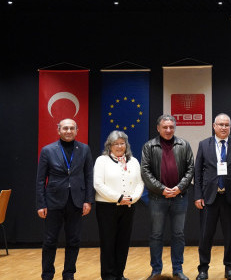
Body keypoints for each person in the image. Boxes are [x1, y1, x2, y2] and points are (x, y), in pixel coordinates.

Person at [36, 118, 94, 280]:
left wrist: (88, 200)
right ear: (58, 130)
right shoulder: (47, 150)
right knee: (50, 241)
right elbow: (40, 180)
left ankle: (69, 274)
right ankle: (47, 275)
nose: (68, 131)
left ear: (76, 130)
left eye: (71, 128)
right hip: (53, 202)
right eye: (65, 128)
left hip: (76, 201)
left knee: (74, 241)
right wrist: (41, 204)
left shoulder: (84, 149)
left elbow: (89, 176)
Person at [141, 114, 195, 280]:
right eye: (165, 127)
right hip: (158, 198)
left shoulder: (184, 145)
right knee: (156, 235)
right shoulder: (149, 146)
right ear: (158, 128)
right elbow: (145, 172)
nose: (168, 130)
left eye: (171, 127)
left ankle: (177, 270)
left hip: (180, 197)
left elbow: (190, 169)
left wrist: (179, 188)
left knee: (178, 235)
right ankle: (156, 271)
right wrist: (162, 189)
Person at [194, 113, 231, 280]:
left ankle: (229, 267)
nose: (224, 127)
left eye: (227, 125)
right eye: (221, 124)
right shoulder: (204, 144)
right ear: (214, 126)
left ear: (230, 127)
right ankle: (203, 268)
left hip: (230, 198)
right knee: (205, 235)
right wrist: (198, 195)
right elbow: (197, 172)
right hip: (209, 198)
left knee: (230, 236)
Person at [94, 130, 145, 280]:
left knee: (123, 242)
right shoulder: (102, 161)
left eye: (122, 143)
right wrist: (119, 198)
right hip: (107, 207)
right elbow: (98, 184)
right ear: (109, 145)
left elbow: (140, 183)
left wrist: (132, 198)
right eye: (115, 143)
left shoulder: (133, 161)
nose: (119, 146)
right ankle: (108, 275)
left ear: (126, 145)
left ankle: (119, 274)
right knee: (108, 242)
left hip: (128, 206)